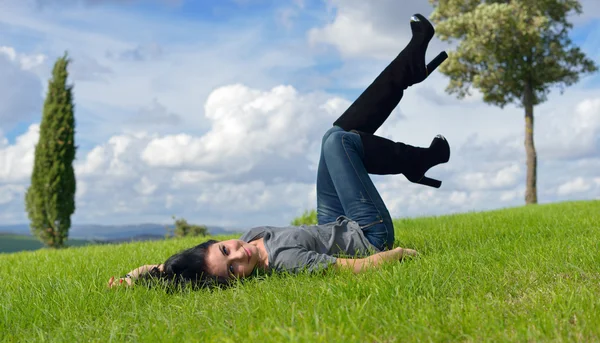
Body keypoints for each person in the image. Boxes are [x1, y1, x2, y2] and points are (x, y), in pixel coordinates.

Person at [108, 13, 450, 289]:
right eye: (233, 268)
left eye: (225, 250)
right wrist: (400, 253)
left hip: (331, 224)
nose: (238, 254)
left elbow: (167, 268)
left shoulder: (246, 240)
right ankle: (414, 139)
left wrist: (129, 280)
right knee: (338, 141)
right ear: (233, 281)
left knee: (333, 135)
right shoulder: (285, 260)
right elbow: (357, 267)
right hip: (368, 234)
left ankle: (409, 83)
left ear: (214, 244)